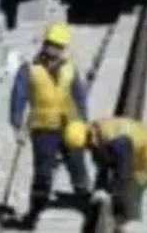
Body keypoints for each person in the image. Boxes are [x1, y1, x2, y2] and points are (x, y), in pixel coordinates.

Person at [9, 22, 90, 227]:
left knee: (77, 168)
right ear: (45, 44)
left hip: (70, 127)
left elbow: (79, 96)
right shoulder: (30, 70)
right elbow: (19, 97)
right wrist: (17, 126)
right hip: (43, 128)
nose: (55, 50)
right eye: (52, 44)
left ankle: (87, 208)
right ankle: (35, 213)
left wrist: (83, 123)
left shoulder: (70, 69)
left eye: (59, 46)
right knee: (43, 173)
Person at [63, 118, 147, 231]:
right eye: (85, 146)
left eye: (87, 143)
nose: (88, 147)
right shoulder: (97, 134)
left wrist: (112, 194)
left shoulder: (118, 142)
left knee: (131, 191)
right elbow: (103, 165)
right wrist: (100, 189)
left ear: (89, 133)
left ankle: (127, 223)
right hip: (132, 153)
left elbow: (122, 173)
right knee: (112, 193)